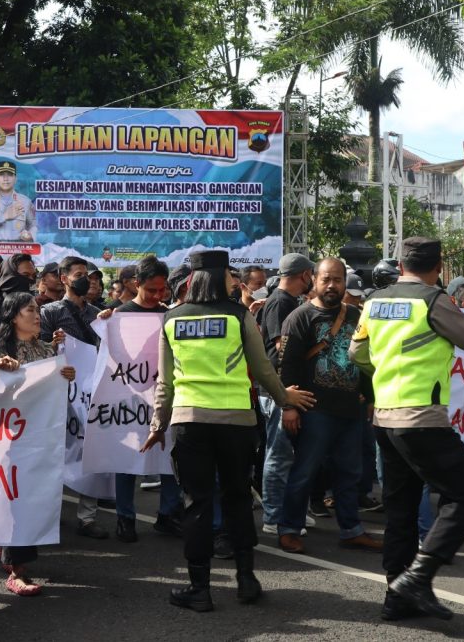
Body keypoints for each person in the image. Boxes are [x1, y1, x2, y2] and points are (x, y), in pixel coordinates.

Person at [142, 250, 315, 612]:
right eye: (230, 275)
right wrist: (285, 398)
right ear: (219, 278)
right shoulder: (238, 316)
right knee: (237, 499)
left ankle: (199, 588)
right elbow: (263, 368)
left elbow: (165, 382)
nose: (235, 281)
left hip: (189, 423)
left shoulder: (172, 319)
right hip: (237, 423)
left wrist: (158, 424)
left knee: (197, 504)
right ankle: (246, 580)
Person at [349, 237, 464, 621]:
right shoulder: (433, 300)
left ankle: (396, 596)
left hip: (385, 416)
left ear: (400, 264)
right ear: (438, 266)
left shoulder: (374, 300)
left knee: (401, 508)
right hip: (422, 417)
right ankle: (418, 577)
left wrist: (385, 368)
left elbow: (357, 353)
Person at [276, 258, 381, 554]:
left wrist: (370, 397)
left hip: (351, 410)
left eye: (337, 279)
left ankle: (351, 530)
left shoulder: (357, 315)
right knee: (305, 472)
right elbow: (287, 365)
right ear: (314, 280)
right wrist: (288, 406)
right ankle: (289, 529)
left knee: (350, 474)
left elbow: (367, 359)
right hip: (314, 411)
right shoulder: (299, 317)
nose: (332, 285)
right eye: (326, 279)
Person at [0, 291, 75, 596]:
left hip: (39, 441)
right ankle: (16, 571)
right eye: (30, 310)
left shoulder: (47, 351)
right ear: (13, 317)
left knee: (30, 498)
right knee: (14, 500)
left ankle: (7, 549)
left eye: (37, 310)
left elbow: (52, 393)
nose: (37, 315)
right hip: (6, 443)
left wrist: (65, 375)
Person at [98, 256, 183, 541]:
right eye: (151, 290)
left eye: (162, 290)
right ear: (136, 284)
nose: (158, 296)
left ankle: (168, 514)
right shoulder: (118, 315)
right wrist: (106, 323)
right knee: (127, 459)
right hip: (129, 402)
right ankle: (125, 518)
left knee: (169, 456)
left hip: (163, 398)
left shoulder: (169, 315)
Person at [39, 256, 111, 539]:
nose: (85, 280)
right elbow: (39, 349)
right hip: (60, 392)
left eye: (87, 275)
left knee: (90, 449)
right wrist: (53, 344)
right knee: (58, 452)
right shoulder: (49, 312)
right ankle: (49, 515)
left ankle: (87, 518)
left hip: (90, 393)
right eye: (79, 274)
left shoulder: (97, 313)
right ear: (64, 278)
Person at [258, 253, 314, 535]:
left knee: (288, 455)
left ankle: (290, 511)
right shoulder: (280, 302)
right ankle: (273, 516)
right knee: (279, 455)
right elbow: (284, 348)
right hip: (279, 392)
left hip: (285, 391)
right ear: (305, 275)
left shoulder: (287, 301)